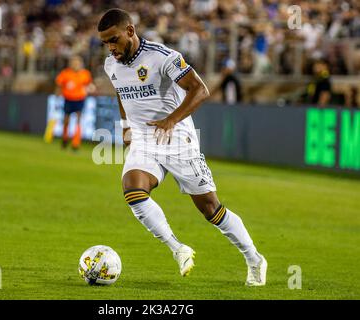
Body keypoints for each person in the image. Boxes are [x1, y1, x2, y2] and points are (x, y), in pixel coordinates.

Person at [98, 8, 267, 286]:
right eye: (105, 42)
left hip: (178, 140)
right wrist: (126, 125)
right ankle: (178, 249)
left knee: (211, 209)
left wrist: (170, 120)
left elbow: (200, 90)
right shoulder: (111, 64)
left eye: (114, 39)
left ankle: (254, 258)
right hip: (144, 140)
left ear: (130, 31)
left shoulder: (163, 57)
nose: (111, 47)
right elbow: (120, 92)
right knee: (133, 189)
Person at [55, 55, 95, 149]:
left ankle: (76, 143)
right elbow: (59, 85)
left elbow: (89, 85)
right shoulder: (65, 73)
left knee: (78, 120)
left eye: (77, 62)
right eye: (73, 62)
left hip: (80, 99)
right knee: (66, 120)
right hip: (68, 99)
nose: (75, 64)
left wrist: (91, 88)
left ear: (81, 64)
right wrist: (57, 95)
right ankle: (65, 139)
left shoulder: (85, 74)